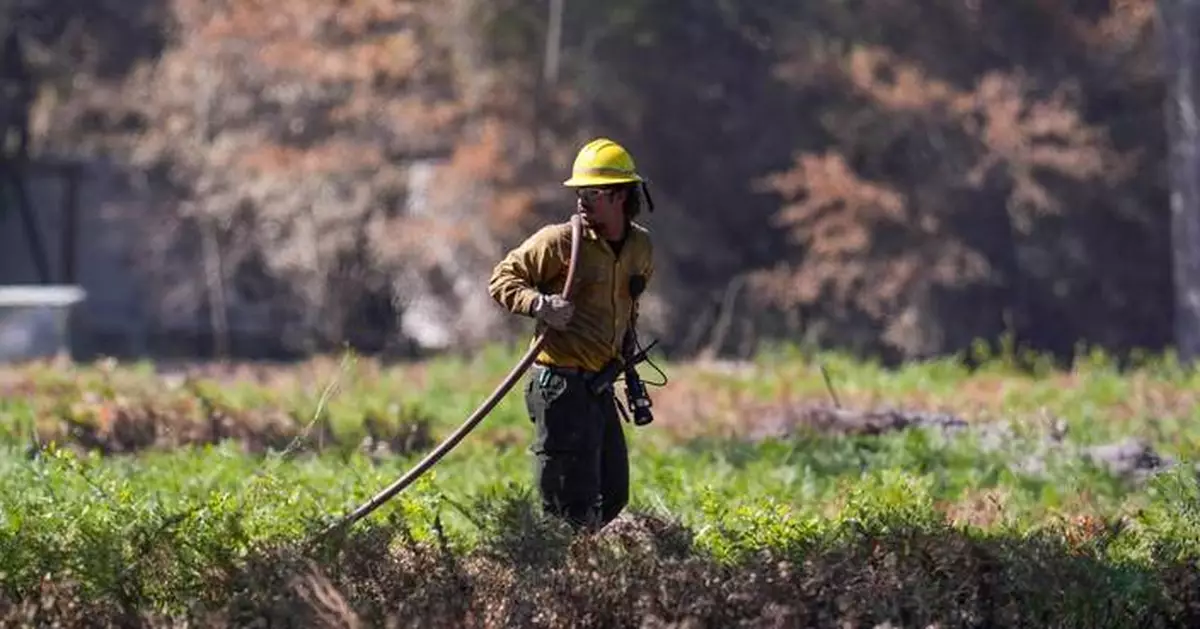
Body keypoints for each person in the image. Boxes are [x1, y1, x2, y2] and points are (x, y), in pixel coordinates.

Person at [488, 137, 655, 533]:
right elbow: (502, 278)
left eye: (592, 192)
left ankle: (584, 573)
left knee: (613, 494)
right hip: (558, 386)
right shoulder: (561, 241)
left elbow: (629, 306)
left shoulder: (641, 247)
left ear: (620, 197)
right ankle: (562, 577)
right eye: (579, 191)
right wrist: (539, 305)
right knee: (567, 505)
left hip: (599, 386)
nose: (582, 200)